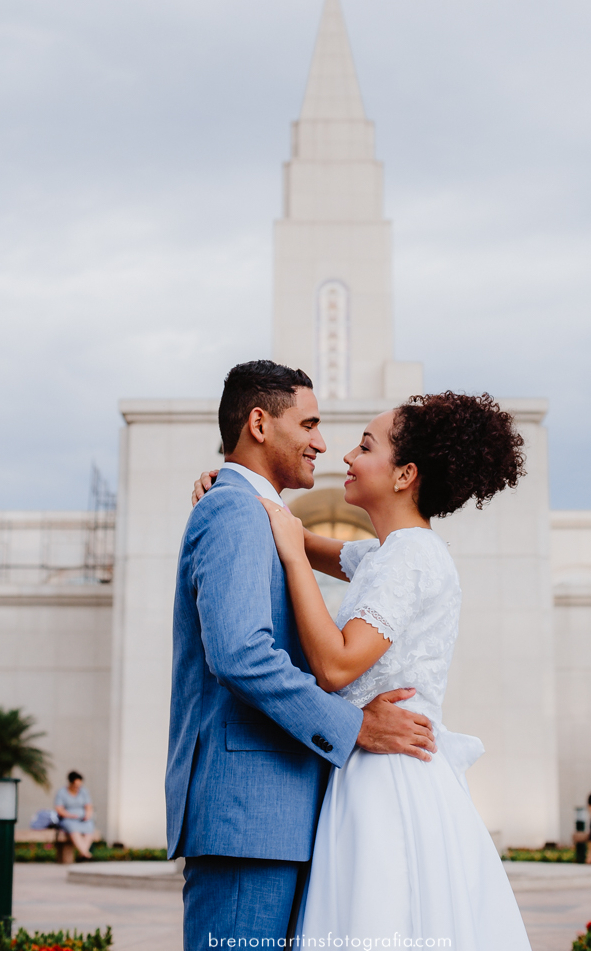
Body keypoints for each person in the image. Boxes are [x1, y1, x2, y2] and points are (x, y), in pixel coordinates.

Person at [193, 388, 531, 950]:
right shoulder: (391, 553)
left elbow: (335, 666)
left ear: (404, 476)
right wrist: (230, 486)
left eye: (365, 446)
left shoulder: (409, 558)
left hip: (388, 776)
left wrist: (294, 555)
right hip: (380, 765)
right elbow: (296, 535)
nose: (346, 456)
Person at [167, 361, 439, 953]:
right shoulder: (235, 510)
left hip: (279, 814)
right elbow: (241, 656)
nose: (324, 443)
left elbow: (339, 558)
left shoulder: (260, 512)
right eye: (311, 423)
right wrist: (356, 726)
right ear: (259, 424)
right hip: (249, 819)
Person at [54, 771, 95, 859]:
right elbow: (59, 809)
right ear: (70, 783)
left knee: (89, 827)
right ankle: (86, 853)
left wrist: (87, 815)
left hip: (82, 818)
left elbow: (88, 806)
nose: (77, 788)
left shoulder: (84, 791)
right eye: (75, 786)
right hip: (68, 819)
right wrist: (70, 815)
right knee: (74, 829)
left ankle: (83, 853)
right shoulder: (62, 792)